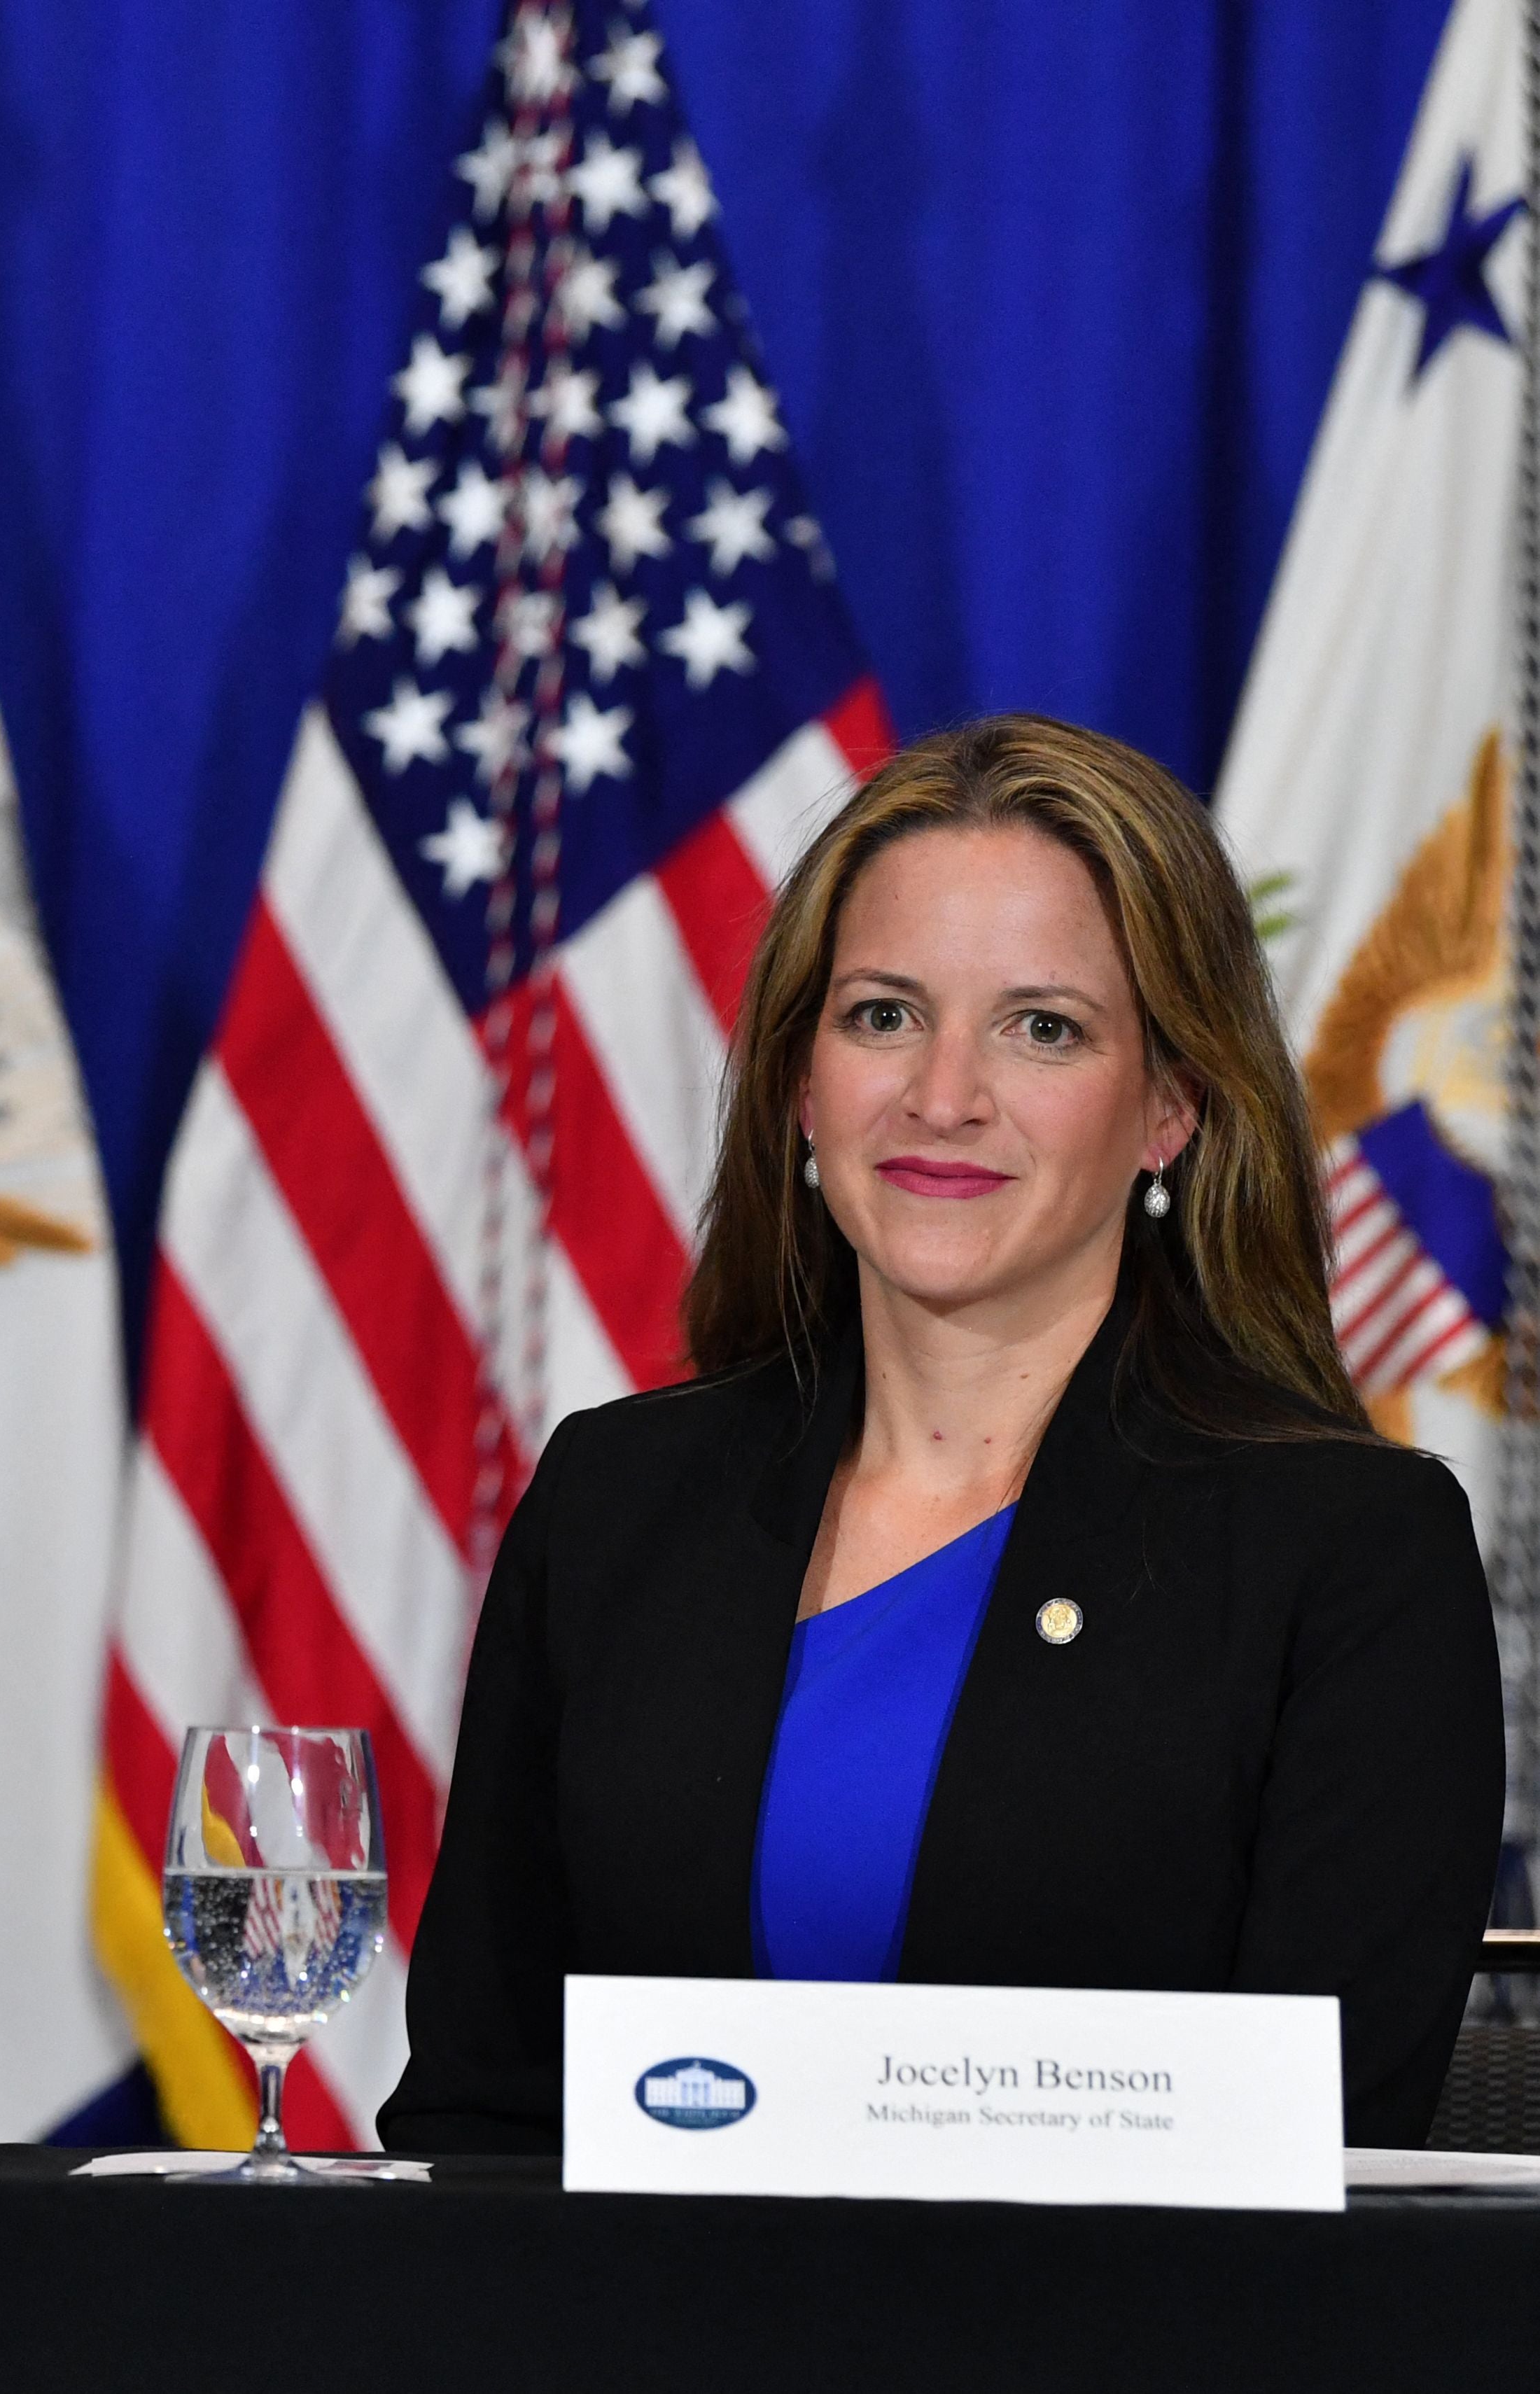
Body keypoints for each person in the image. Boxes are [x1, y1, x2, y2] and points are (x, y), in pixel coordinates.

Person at [379, 714, 1502, 2153]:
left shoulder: (1350, 1556)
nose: (943, 1097)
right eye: (883, 1015)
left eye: (1044, 1028)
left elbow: (1319, 2174)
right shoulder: (617, 1502)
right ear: (799, 1081)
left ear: (1171, 1105)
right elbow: (478, 2106)